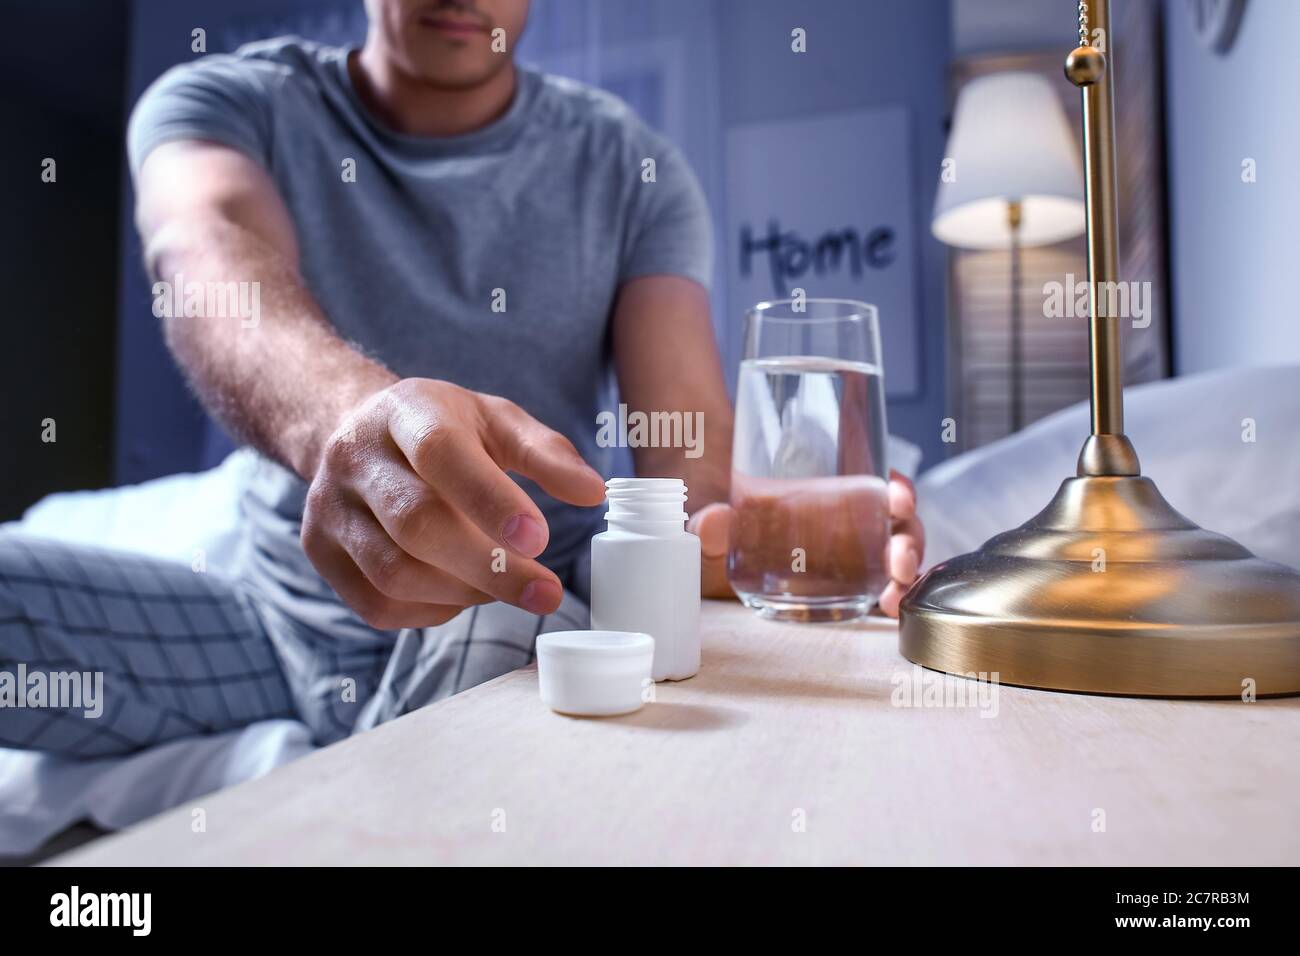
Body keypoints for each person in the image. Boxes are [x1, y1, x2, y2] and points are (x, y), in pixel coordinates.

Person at [0, 0, 924, 757]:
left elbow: (692, 469)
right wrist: (357, 426)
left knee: (488, 622)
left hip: (506, 600)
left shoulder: (630, 170)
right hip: (265, 617)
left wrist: (760, 537)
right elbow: (208, 263)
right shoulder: (223, 101)